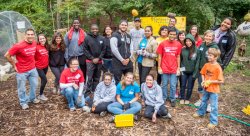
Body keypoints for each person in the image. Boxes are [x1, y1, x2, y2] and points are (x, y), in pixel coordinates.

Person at [4, 28, 40, 110]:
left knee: (34, 85)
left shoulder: (34, 43)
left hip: (32, 69)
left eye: (32, 34)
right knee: (22, 88)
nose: (30, 36)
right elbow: (7, 55)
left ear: (34, 35)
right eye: (28, 34)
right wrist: (14, 65)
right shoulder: (18, 45)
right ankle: (23, 102)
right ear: (25, 35)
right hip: (21, 71)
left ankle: (32, 98)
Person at [193, 48, 224, 129]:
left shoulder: (218, 67)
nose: (208, 57)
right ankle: (200, 112)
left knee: (213, 106)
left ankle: (213, 121)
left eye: (210, 55)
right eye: (208, 55)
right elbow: (202, 73)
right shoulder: (206, 65)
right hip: (206, 88)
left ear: (216, 57)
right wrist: (203, 81)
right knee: (203, 101)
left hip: (214, 90)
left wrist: (210, 81)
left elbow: (221, 81)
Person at [194, 30, 220, 110]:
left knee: (209, 86)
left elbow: (217, 59)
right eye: (206, 36)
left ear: (212, 38)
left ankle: (209, 104)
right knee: (201, 85)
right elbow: (198, 55)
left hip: (210, 71)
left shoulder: (214, 47)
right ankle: (201, 100)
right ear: (204, 36)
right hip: (201, 69)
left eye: (210, 36)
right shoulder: (202, 45)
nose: (208, 37)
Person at [157, 27, 182, 107]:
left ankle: (172, 99)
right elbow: (160, 56)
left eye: (174, 34)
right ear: (168, 34)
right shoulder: (162, 44)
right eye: (171, 34)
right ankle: (163, 98)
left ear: (176, 35)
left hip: (174, 68)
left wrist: (178, 68)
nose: (172, 36)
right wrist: (159, 67)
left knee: (173, 85)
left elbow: (178, 56)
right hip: (164, 68)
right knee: (164, 84)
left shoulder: (178, 44)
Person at [83, 24, 106, 95]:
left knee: (97, 77)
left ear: (98, 29)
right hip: (90, 61)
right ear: (91, 29)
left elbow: (104, 49)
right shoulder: (87, 38)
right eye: (93, 29)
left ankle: (94, 90)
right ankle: (87, 92)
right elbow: (85, 49)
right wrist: (92, 58)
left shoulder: (102, 38)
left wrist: (99, 58)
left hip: (99, 61)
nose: (94, 30)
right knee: (89, 78)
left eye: (96, 29)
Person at [110, 20, 133, 85]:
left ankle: (128, 93)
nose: (124, 26)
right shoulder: (114, 35)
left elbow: (131, 48)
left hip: (128, 61)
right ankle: (118, 94)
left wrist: (129, 58)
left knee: (129, 78)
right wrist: (122, 60)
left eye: (125, 25)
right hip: (117, 62)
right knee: (117, 80)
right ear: (119, 25)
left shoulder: (128, 36)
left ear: (127, 27)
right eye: (122, 25)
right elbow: (114, 49)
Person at [179, 34, 200, 105]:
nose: (188, 42)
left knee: (190, 86)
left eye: (189, 41)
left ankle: (187, 98)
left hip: (192, 72)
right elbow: (180, 61)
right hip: (184, 71)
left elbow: (197, 62)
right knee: (183, 85)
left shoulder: (197, 50)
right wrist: (181, 71)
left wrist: (195, 73)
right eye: (186, 41)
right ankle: (182, 97)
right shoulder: (183, 50)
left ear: (192, 41)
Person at [35, 34, 49, 101]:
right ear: (38, 40)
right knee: (45, 80)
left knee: (43, 80)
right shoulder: (36, 47)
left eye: (43, 38)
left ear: (45, 39)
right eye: (40, 39)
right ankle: (40, 95)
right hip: (39, 67)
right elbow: (31, 56)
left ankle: (40, 92)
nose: (42, 40)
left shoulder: (46, 46)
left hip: (45, 66)